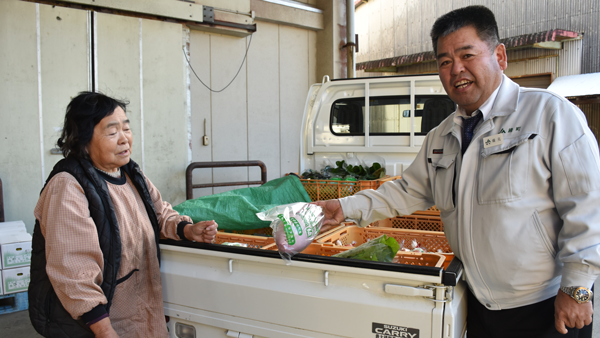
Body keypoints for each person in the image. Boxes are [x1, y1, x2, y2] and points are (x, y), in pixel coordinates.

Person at [316, 5, 600, 338]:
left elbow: (587, 205)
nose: (456, 70)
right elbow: (409, 190)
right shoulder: (442, 136)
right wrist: (346, 207)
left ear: (500, 56)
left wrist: (578, 287)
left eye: (467, 55)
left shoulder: (549, 115)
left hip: (544, 306)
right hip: (478, 303)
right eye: (445, 61)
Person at [28, 92, 218, 338]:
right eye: (112, 132)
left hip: (141, 311)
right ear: (83, 139)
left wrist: (187, 229)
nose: (124, 139)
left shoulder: (130, 174)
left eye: (126, 129)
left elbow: (160, 214)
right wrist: (104, 330)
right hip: (98, 324)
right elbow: (73, 270)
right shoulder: (68, 185)